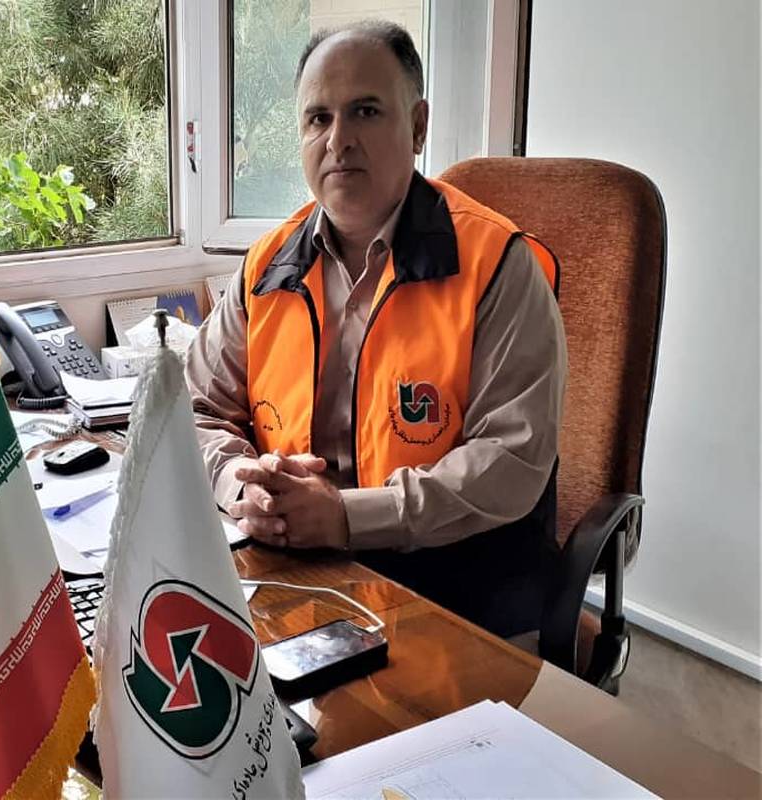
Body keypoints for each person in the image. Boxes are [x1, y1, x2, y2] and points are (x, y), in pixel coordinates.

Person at [184, 20, 567, 637]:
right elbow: (195, 409)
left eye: (365, 111)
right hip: (296, 575)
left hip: (453, 588)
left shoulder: (497, 264)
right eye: (318, 118)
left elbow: (511, 461)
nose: (338, 141)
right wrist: (238, 484)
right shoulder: (266, 267)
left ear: (417, 126)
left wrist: (346, 516)